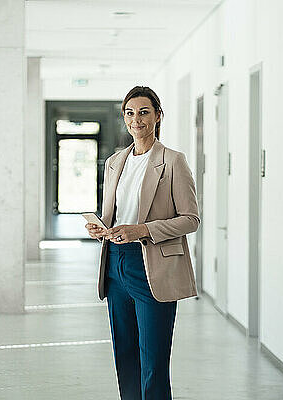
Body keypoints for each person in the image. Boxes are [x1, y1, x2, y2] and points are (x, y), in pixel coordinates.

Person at [85, 86, 200, 400]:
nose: (136, 119)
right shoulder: (115, 162)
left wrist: (142, 230)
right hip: (115, 264)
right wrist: (102, 229)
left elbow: (191, 219)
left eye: (144, 112)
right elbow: (116, 213)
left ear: (158, 116)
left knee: (153, 359)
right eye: (130, 112)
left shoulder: (173, 161)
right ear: (124, 118)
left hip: (151, 265)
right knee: (125, 354)